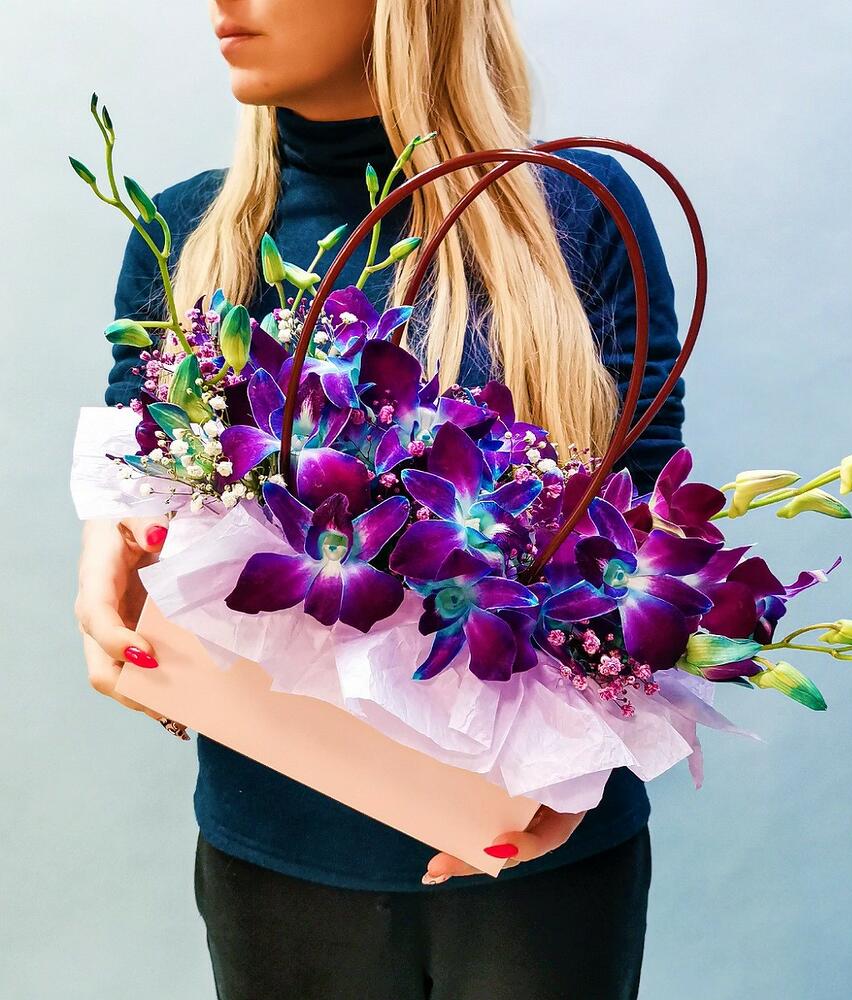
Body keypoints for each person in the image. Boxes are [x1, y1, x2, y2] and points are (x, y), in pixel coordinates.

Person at [74, 1, 686, 997]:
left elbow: (646, 526)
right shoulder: (182, 235)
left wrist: (578, 767)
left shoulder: (576, 212)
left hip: (541, 851)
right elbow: (134, 491)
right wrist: (113, 558)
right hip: (276, 852)